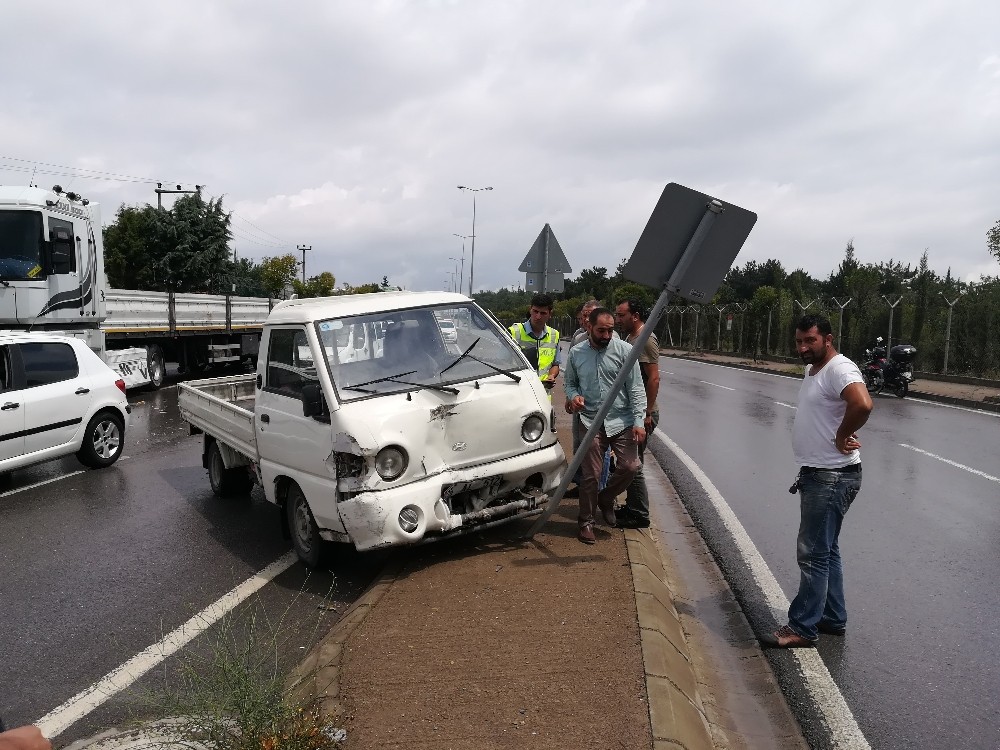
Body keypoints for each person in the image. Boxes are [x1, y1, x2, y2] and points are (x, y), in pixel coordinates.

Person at [763, 314, 873, 648]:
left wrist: (841, 435)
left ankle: (802, 626)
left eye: (810, 340)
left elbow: (862, 404)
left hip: (831, 476)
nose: (803, 347)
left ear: (827, 338)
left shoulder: (839, 368)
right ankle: (832, 617)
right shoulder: (814, 370)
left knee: (812, 553)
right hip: (822, 474)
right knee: (826, 549)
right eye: (798, 341)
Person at [564, 308, 646, 544]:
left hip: (622, 420)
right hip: (590, 420)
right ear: (589, 327)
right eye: (602, 330)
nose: (607, 335)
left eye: (611, 330)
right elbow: (570, 384)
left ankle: (606, 498)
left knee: (631, 467)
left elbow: (636, 388)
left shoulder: (625, 351)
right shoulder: (577, 353)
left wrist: (639, 421)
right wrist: (574, 397)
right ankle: (586, 522)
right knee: (592, 474)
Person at [614, 299, 660, 529]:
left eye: (621, 315)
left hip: (643, 412)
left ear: (635, 315)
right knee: (632, 461)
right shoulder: (631, 339)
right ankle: (632, 507)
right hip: (635, 410)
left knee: (635, 463)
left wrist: (647, 413)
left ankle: (640, 514)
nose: (617, 320)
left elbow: (653, 378)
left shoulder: (646, 340)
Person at [508, 293, 561, 396]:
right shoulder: (514, 332)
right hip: (520, 394)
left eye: (543, 313)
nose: (538, 316)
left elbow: (555, 364)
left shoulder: (554, 335)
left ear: (550, 314)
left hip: (543, 395)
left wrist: (552, 375)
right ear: (530, 309)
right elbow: (502, 363)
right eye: (535, 311)